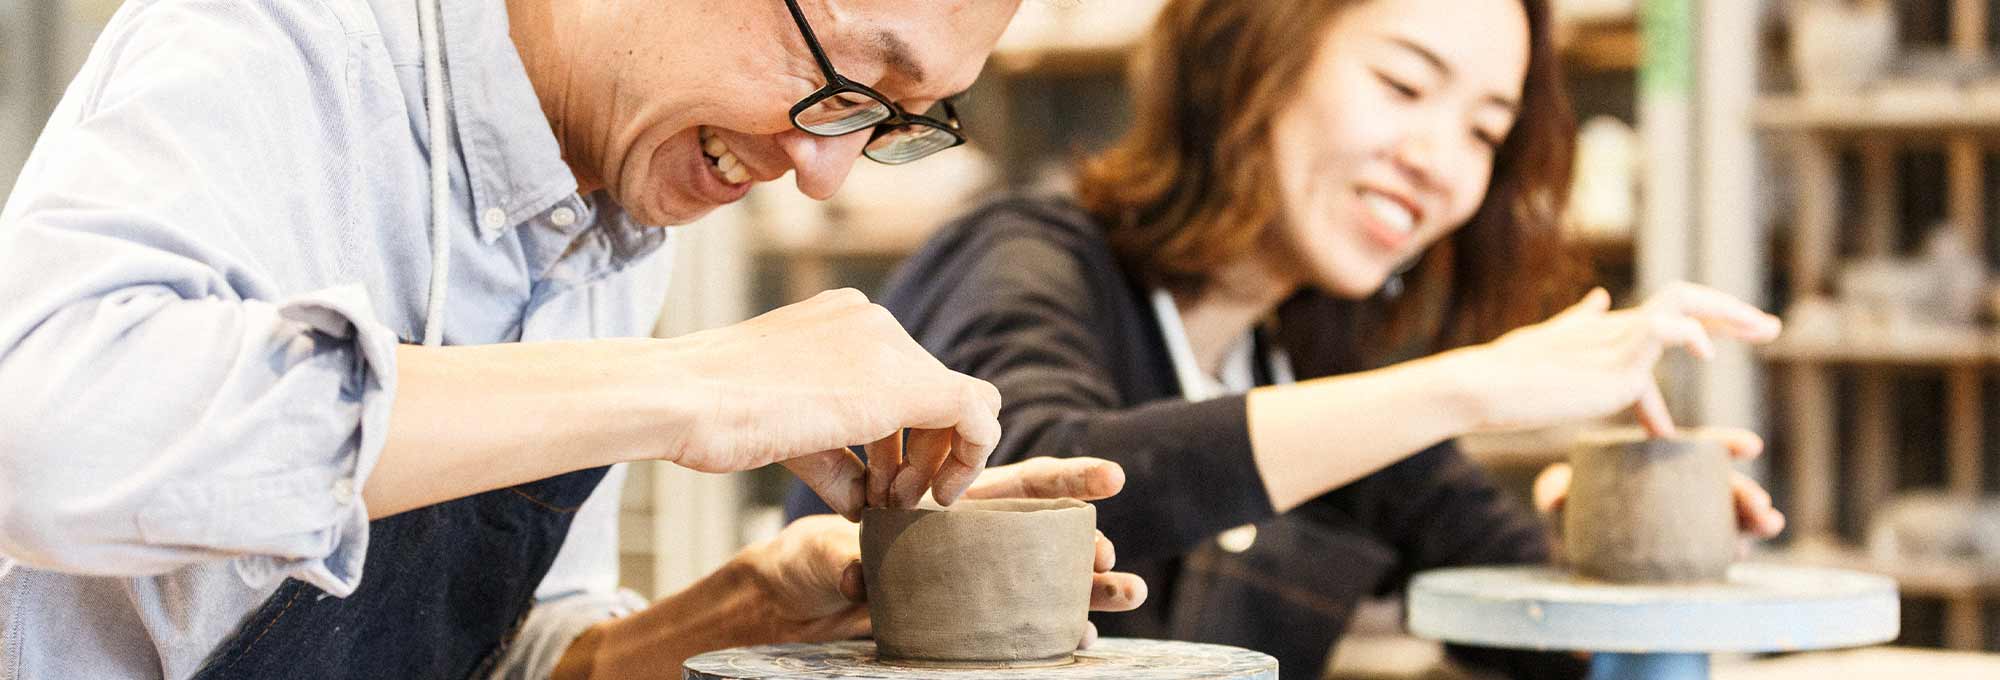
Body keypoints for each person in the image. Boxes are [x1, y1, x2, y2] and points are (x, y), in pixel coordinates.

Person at [0, 1, 1148, 679]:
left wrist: (743, 611)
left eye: (896, 118)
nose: (824, 170)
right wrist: (691, 382)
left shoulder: (615, 219)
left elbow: (500, 659)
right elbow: (42, 433)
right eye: (844, 76)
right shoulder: (289, 43)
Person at [787, 0, 1787, 678]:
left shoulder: (1308, 354)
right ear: (1249, 57)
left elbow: (1532, 625)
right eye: (1402, 85)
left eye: (1485, 130)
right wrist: (1473, 384)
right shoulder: (1024, 255)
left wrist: (1612, 540)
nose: (1440, 161)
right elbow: (1023, 486)